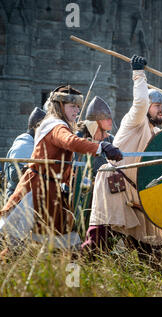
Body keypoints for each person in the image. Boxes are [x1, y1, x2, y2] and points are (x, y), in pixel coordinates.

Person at [0, 85, 122, 256]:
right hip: (36, 191)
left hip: (52, 193)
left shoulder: (59, 125)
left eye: (78, 107)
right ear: (60, 105)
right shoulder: (56, 126)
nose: (77, 110)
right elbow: (71, 142)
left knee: (65, 246)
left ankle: (69, 281)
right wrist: (101, 147)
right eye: (72, 106)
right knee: (17, 247)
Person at [81, 55, 162, 269]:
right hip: (115, 183)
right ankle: (70, 279)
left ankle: (154, 283)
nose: (160, 110)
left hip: (136, 189)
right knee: (98, 241)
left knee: (149, 245)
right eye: (156, 105)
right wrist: (138, 74)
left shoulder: (154, 132)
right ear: (147, 106)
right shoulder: (134, 121)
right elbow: (140, 101)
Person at [73, 96, 116, 236]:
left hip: (104, 193)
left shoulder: (110, 140)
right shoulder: (78, 138)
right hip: (81, 193)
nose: (110, 121)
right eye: (106, 118)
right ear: (95, 122)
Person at [4, 107, 46, 199]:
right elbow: (14, 175)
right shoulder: (23, 145)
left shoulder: (36, 144)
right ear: (37, 127)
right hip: (17, 198)